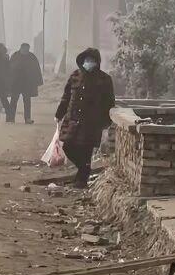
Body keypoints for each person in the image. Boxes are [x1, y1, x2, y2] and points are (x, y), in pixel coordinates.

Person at [55, 47, 115, 188]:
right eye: (87, 60)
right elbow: (66, 97)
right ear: (82, 61)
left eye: (92, 60)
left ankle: (81, 180)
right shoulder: (75, 76)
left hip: (91, 122)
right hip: (72, 119)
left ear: (97, 62)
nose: (89, 63)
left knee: (86, 150)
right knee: (68, 146)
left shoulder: (104, 79)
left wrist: (105, 123)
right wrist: (59, 114)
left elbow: (109, 102)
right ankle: (84, 169)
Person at [8, 42, 43, 124]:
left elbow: (36, 69)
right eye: (25, 49)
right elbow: (9, 68)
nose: (26, 51)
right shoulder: (15, 56)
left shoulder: (31, 57)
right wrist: (8, 80)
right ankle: (11, 118)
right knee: (14, 101)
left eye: (27, 49)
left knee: (27, 101)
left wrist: (38, 81)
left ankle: (27, 118)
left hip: (27, 83)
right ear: (21, 48)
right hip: (16, 83)